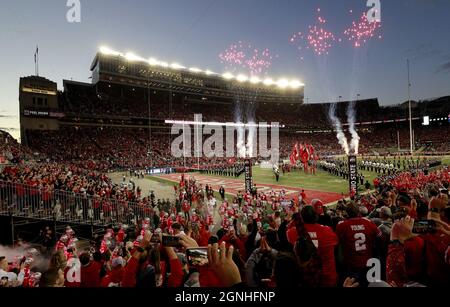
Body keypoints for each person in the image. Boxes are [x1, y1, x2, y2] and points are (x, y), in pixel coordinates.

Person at [336, 203, 382, 286]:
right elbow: (380, 236)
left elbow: (337, 242)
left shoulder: (342, 225)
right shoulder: (368, 222)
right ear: (358, 212)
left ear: (347, 213)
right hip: (369, 262)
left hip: (352, 264)